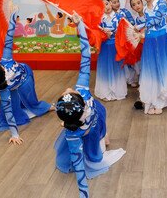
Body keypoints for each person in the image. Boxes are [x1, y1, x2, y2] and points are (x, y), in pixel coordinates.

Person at [54, 12, 125, 198]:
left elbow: (79, 169)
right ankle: (104, 140)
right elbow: (85, 54)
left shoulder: (71, 131)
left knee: (90, 150)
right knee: (96, 153)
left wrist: (84, 194)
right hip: (95, 120)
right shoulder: (82, 89)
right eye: (68, 93)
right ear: (77, 97)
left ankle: (104, 138)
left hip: (92, 121)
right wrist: (80, 25)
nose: (67, 90)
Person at [0, 6, 52, 143]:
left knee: (30, 100)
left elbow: (8, 112)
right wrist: (13, 15)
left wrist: (15, 134)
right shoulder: (5, 61)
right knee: (28, 101)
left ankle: (45, 107)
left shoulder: (3, 89)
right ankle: (45, 107)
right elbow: (9, 36)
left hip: (25, 76)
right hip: (25, 77)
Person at [132, 0, 167, 115]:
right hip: (150, 42)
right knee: (151, 70)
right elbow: (148, 26)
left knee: (161, 68)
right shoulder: (144, 9)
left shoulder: (161, 4)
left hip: (161, 40)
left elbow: (156, 20)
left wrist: (140, 28)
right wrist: (138, 30)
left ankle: (161, 102)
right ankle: (152, 100)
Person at [95, 0, 127, 101]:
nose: (106, 7)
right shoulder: (99, 19)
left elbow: (124, 32)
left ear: (110, 3)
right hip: (104, 47)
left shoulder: (119, 17)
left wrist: (114, 33)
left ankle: (118, 92)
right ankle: (106, 92)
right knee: (105, 69)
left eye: (107, 4)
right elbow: (96, 34)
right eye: (102, 6)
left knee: (117, 68)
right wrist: (103, 34)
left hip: (116, 46)